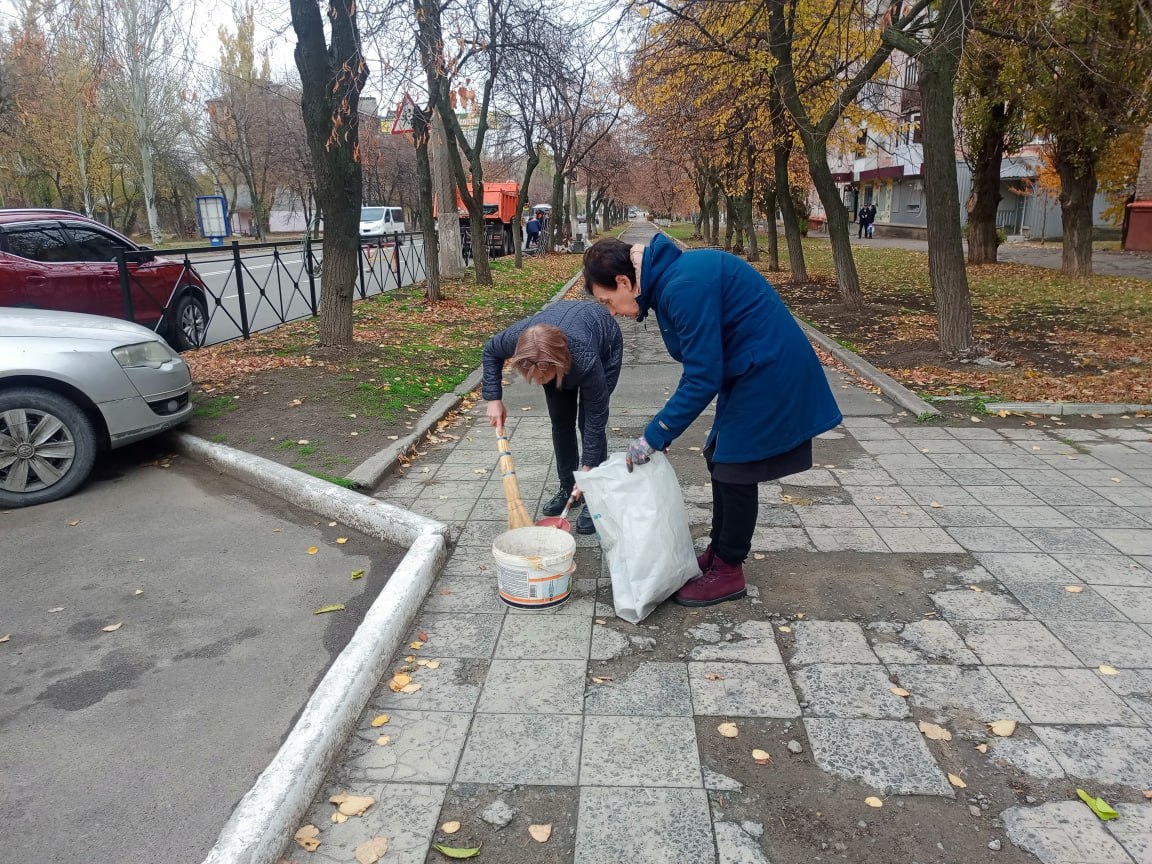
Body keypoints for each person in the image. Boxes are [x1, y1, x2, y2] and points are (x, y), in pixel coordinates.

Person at [582, 235, 842, 606]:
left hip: (769, 371)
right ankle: (719, 553)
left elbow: (702, 375)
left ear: (624, 282)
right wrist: (663, 431)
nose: (611, 311)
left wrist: (655, 434)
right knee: (719, 456)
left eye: (608, 301)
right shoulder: (671, 280)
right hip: (748, 369)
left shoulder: (682, 285)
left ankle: (729, 571)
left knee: (736, 467)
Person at [483, 300, 623, 534]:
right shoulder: (519, 339)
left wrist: (587, 469)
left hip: (603, 347)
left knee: (588, 422)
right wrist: (493, 399)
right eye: (532, 376)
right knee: (560, 421)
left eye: (541, 376)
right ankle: (568, 487)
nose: (536, 380)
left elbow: (597, 419)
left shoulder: (586, 359)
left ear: (556, 365)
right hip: (561, 351)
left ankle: (593, 496)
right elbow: (490, 351)